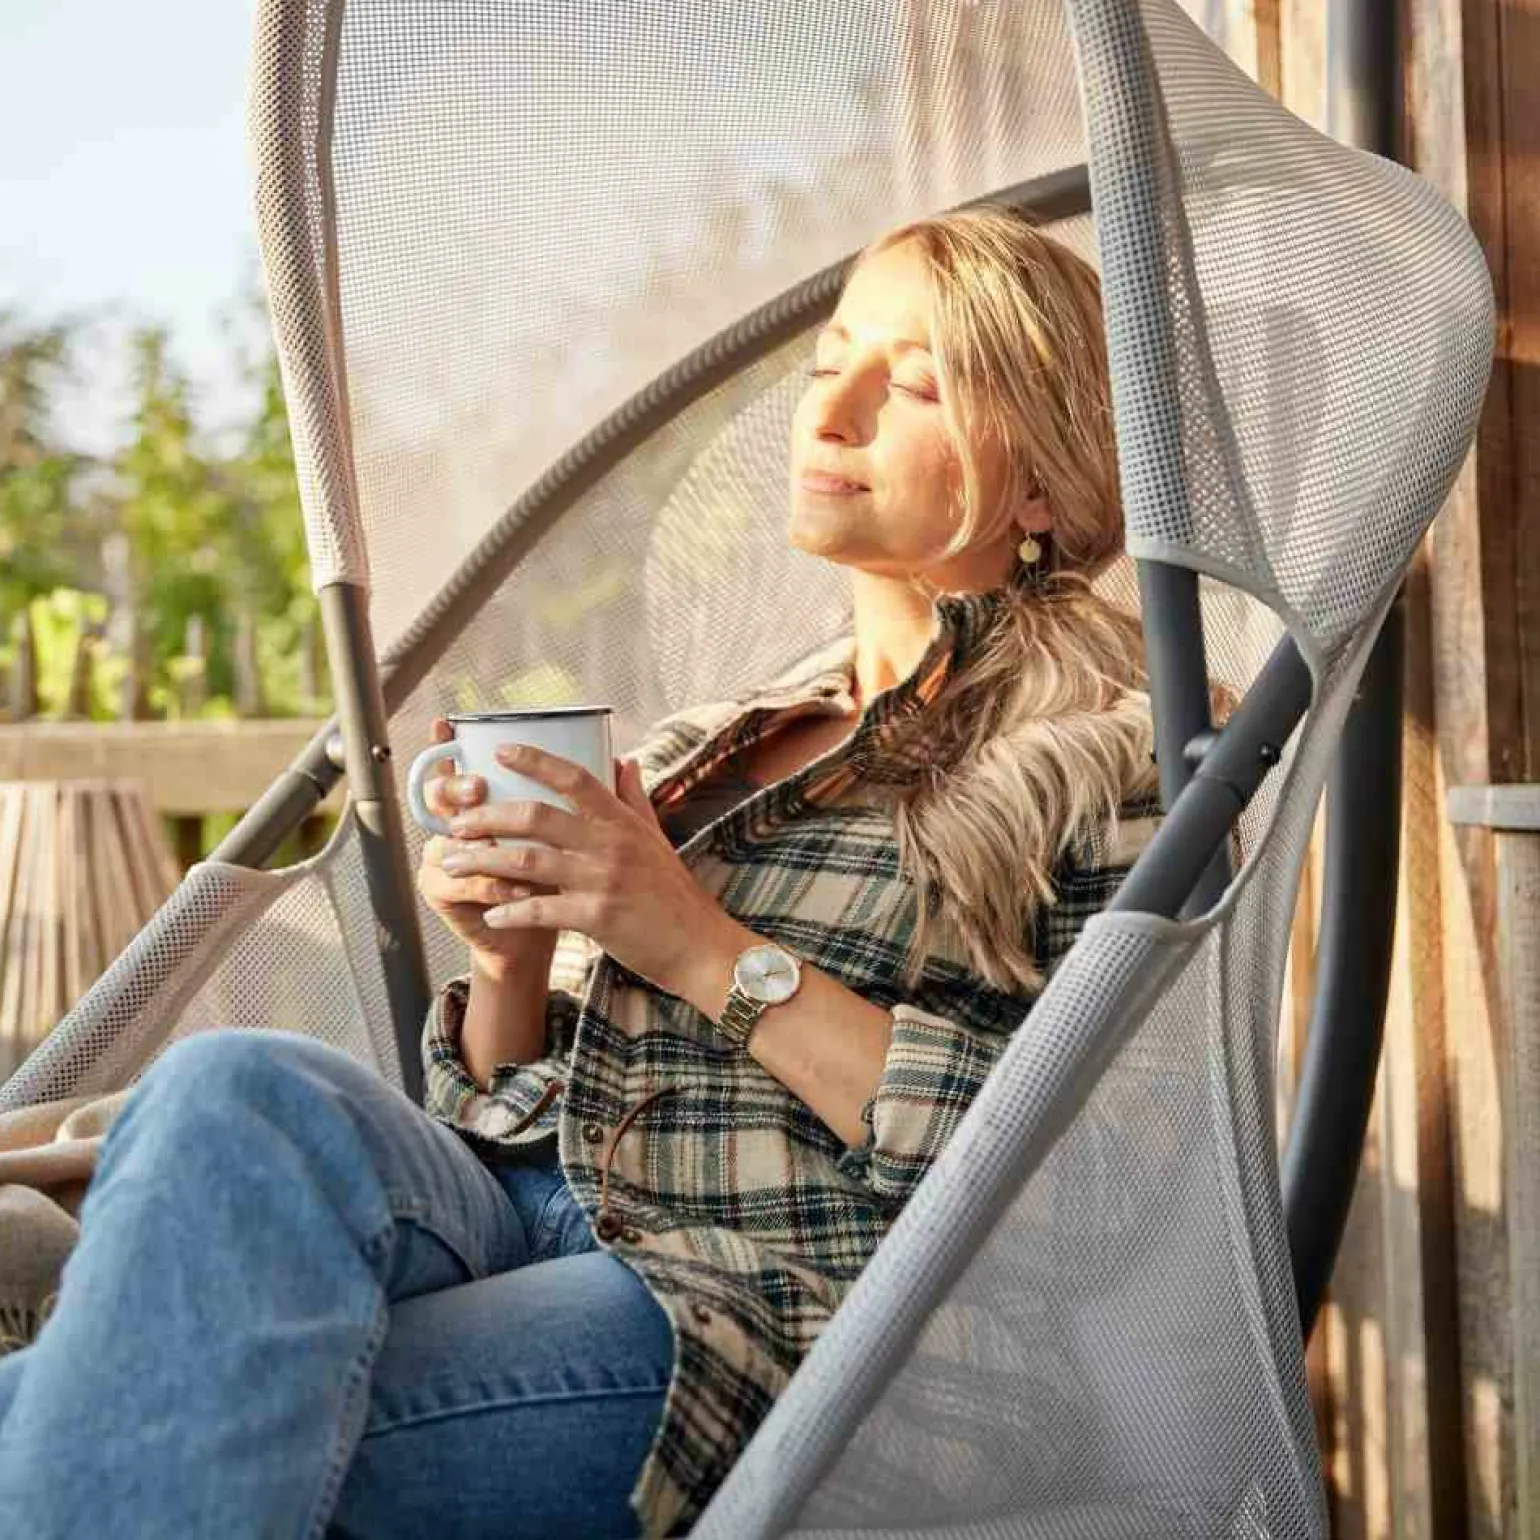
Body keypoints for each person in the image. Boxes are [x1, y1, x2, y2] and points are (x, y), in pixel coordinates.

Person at [0, 206, 1161, 1539]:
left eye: (913, 384)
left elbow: (1092, 1193)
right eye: (827, 363)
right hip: (529, 1213)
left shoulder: (1105, 759)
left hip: (788, 1309)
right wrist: (508, 964)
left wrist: (698, 944)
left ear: (1040, 483)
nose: (829, 414)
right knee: (236, 1089)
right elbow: (508, 1110)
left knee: (151, 1416)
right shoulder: (718, 740)